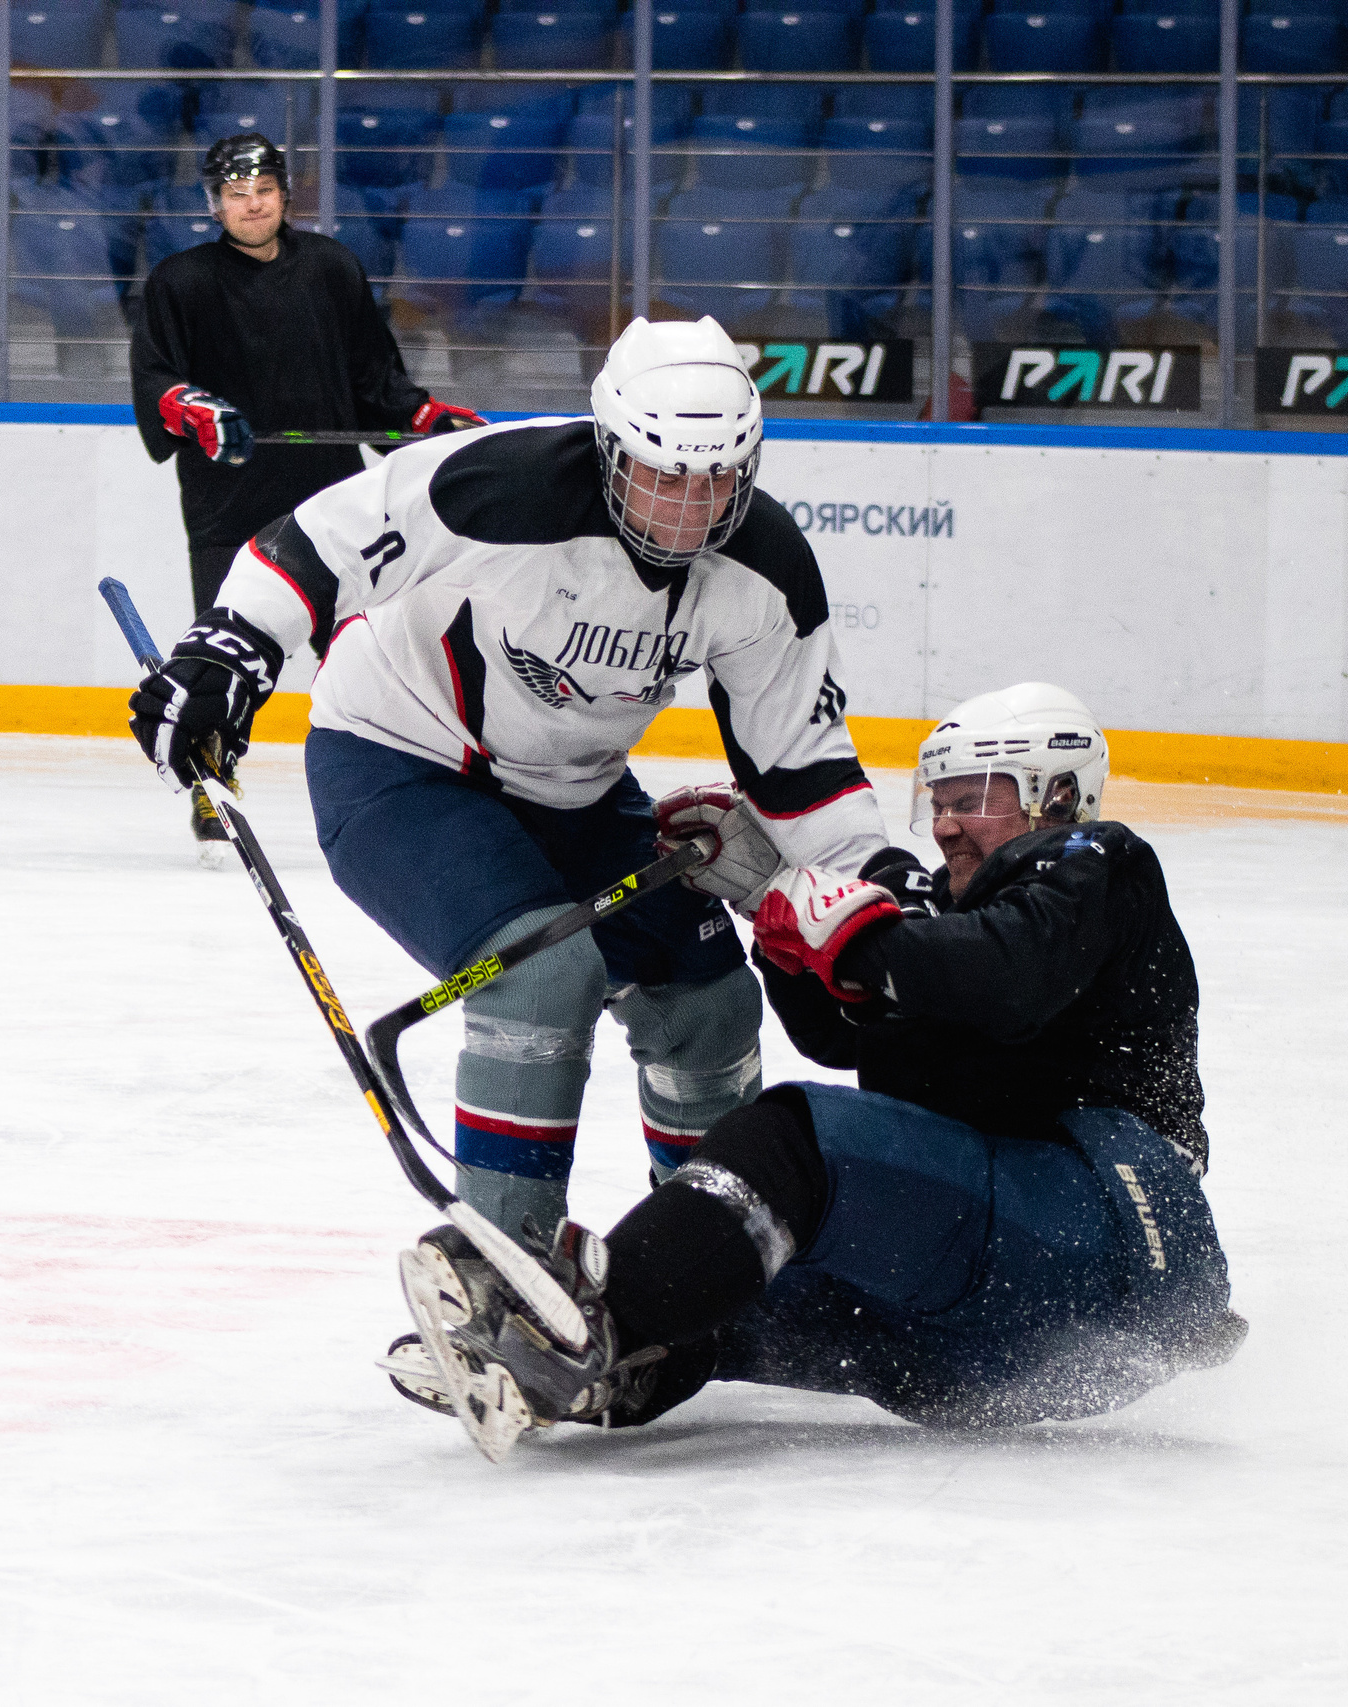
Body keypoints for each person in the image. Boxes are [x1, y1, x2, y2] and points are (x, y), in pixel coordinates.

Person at [130, 315, 897, 1248]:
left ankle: (709, 1263)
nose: (690, 510)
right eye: (663, 476)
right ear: (612, 449)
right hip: (399, 759)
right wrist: (234, 644)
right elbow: (317, 538)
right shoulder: (504, 481)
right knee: (540, 977)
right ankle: (507, 1265)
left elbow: (803, 766)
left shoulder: (765, 568)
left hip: (578, 794)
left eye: (718, 478)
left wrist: (881, 897)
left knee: (712, 1002)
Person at [390, 683, 1244, 1462]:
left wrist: (860, 930)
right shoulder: (955, 929)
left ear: (1059, 795)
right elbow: (851, 1034)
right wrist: (775, 900)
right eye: (937, 801)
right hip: (985, 1345)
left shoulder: (1099, 865)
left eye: (975, 797)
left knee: (792, 1144)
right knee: (719, 1282)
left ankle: (575, 1333)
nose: (946, 824)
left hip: (1115, 1233)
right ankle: (606, 1374)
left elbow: (1004, 974)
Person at [129, 131, 484, 855]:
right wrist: (195, 408)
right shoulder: (181, 281)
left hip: (329, 504)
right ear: (215, 202)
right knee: (230, 651)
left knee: (365, 649)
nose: (251, 205)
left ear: (284, 194)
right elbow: (156, 379)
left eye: (263, 192)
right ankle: (211, 783)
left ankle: (400, 777)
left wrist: (421, 420)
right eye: (236, 194)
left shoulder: (330, 268)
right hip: (227, 502)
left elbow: (373, 378)